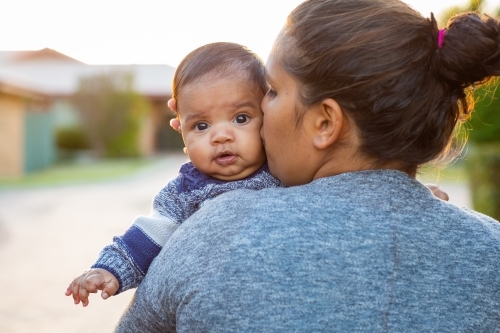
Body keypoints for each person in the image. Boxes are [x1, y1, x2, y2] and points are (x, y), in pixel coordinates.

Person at [114, 0, 500, 332]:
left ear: (325, 123)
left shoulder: (217, 229)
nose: (260, 107)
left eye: (272, 91)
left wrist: (202, 125)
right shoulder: (490, 250)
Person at [64, 42, 283, 306]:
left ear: (268, 116)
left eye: (241, 118)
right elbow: (148, 236)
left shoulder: (284, 170)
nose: (221, 136)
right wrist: (109, 269)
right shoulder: (185, 191)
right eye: (201, 125)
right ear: (181, 132)